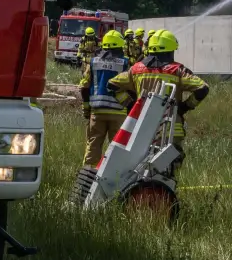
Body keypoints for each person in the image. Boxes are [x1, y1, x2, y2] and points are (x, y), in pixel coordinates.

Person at [109, 30, 210, 177]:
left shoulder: (136, 69)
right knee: (168, 171)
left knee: (139, 169)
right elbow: (203, 88)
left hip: (142, 130)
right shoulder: (177, 70)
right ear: (170, 50)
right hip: (170, 130)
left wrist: (130, 105)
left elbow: (112, 85)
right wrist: (185, 107)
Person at [77, 29, 132, 170]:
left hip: (97, 112)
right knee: (117, 148)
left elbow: (84, 87)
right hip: (118, 112)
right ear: (120, 46)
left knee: (93, 146)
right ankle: (114, 175)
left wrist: (86, 108)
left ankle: (88, 176)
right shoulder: (125, 63)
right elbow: (132, 89)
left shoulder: (93, 62)